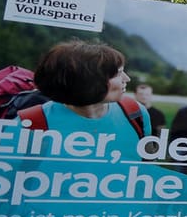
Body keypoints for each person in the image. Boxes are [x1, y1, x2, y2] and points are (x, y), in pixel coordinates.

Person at [23, 40, 151, 157]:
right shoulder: (30, 123)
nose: (126, 79)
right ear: (89, 81)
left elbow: (145, 167)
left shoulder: (135, 112)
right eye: (118, 73)